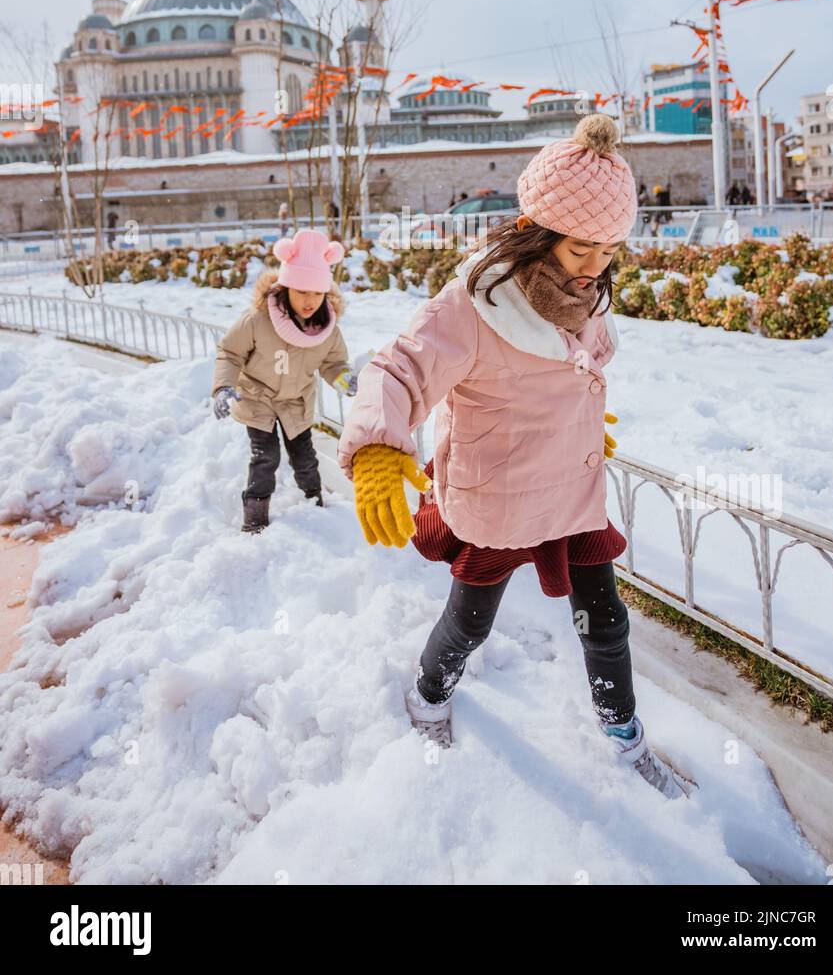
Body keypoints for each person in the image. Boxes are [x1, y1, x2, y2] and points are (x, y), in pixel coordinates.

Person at [337, 114, 694, 800]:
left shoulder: (584, 293)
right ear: (538, 233)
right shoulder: (474, 306)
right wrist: (383, 447)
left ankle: (623, 731)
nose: (597, 265)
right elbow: (398, 369)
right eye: (582, 248)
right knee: (472, 618)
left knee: (607, 620)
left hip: (573, 488)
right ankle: (428, 693)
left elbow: (569, 367)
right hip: (499, 494)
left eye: (611, 249)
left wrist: (579, 421)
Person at [212, 230, 356, 533]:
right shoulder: (259, 319)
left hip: (296, 402)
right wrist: (224, 387)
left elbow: (334, 363)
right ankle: (254, 518)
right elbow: (230, 352)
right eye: (302, 291)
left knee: (304, 458)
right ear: (287, 286)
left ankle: (314, 501)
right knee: (266, 458)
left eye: (317, 293)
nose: (310, 301)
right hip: (258, 400)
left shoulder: (327, 329)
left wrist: (343, 378)